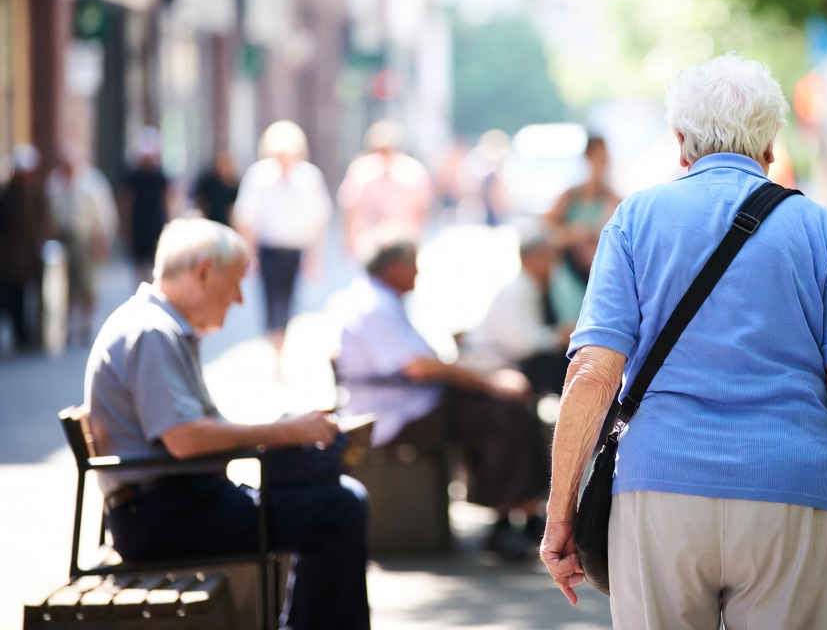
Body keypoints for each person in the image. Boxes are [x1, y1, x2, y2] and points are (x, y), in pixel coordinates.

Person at [540, 54, 827, 629]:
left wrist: (561, 515)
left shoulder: (636, 219)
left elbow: (591, 374)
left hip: (659, 489)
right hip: (793, 492)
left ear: (681, 142)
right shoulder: (821, 230)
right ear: (771, 144)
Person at [83, 217, 370, 630]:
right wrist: (284, 432)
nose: (237, 299)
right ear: (202, 273)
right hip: (163, 515)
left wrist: (282, 431)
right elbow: (184, 440)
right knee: (339, 507)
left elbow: (191, 431)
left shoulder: (158, 327)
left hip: (175, 502)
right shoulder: (150, 331)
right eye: (234, 283)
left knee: (334, 495)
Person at [333, 234, 551, 559]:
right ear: (394, 267)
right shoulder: (373, 305)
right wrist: (489, 380)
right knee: (498, 411)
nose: (417, 273)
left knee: (510, 404)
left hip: (410, 401)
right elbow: (419, 366)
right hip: (396, 412)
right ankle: (505, 521)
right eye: (413, 265)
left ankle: (527, 510)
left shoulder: (381, 300)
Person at [232, 121, 332, 359]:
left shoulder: (308, 177)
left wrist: (315, 254)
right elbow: (245, 218)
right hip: (268, 250)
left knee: (288, 302)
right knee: (269, 301)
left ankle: (281, 345)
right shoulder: (259, 176)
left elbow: (319, 219)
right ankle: (274, 345)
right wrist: (249, 253)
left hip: (295, 249)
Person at [460, 230, 574, 397]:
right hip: (492, 361)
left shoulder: (533, 288)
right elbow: (520, 345)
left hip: (509, 359)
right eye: (548, 257)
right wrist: (558, 336)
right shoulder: (516, 291)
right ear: (530, 259)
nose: (554, 264)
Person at [46, 144, 118, 346]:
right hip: (62, 238)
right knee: (64, 285)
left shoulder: (92, 181)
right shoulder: (54, 182)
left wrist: (102, 239)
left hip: (85, 238)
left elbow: (104, 213)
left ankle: (85, 324)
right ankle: (67, 325)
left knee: (87, 285)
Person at [544, 135, 621, 321]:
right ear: (587, 158)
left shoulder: (612, 197)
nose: (601, 164)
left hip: (598, 274)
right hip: (571, 274)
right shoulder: (570, 195)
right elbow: (546, 234)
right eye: (597, 157)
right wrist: (573, 234)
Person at [337, 120, 432, 254]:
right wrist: (348, 240)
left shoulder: (412, 172)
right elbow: (349, 208)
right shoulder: (361, 171)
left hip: (402, 241)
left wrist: (416, 236)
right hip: (368, 242)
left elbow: (422, 207)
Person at [0, 145, 52, 349]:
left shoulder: (38, 195)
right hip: (11, 259)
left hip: (32, 255)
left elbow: (45, 223)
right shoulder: (7, 196)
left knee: (36, 297)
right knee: (14, 298)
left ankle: (36, 335)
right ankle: (22, 335)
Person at [119, 127, 172, 283]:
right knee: (138, 263)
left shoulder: (160, 175)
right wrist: (126, 224)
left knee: (155, 260)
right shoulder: (132, 176)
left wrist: (169, 221)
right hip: (138, 224)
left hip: (155, 223)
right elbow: (126, 200)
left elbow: (166, 199)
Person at [191, 149, 240, 226]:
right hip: (211, 222)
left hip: (227, 225)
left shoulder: (235, 184)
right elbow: (201, 201)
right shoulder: (209, 182)